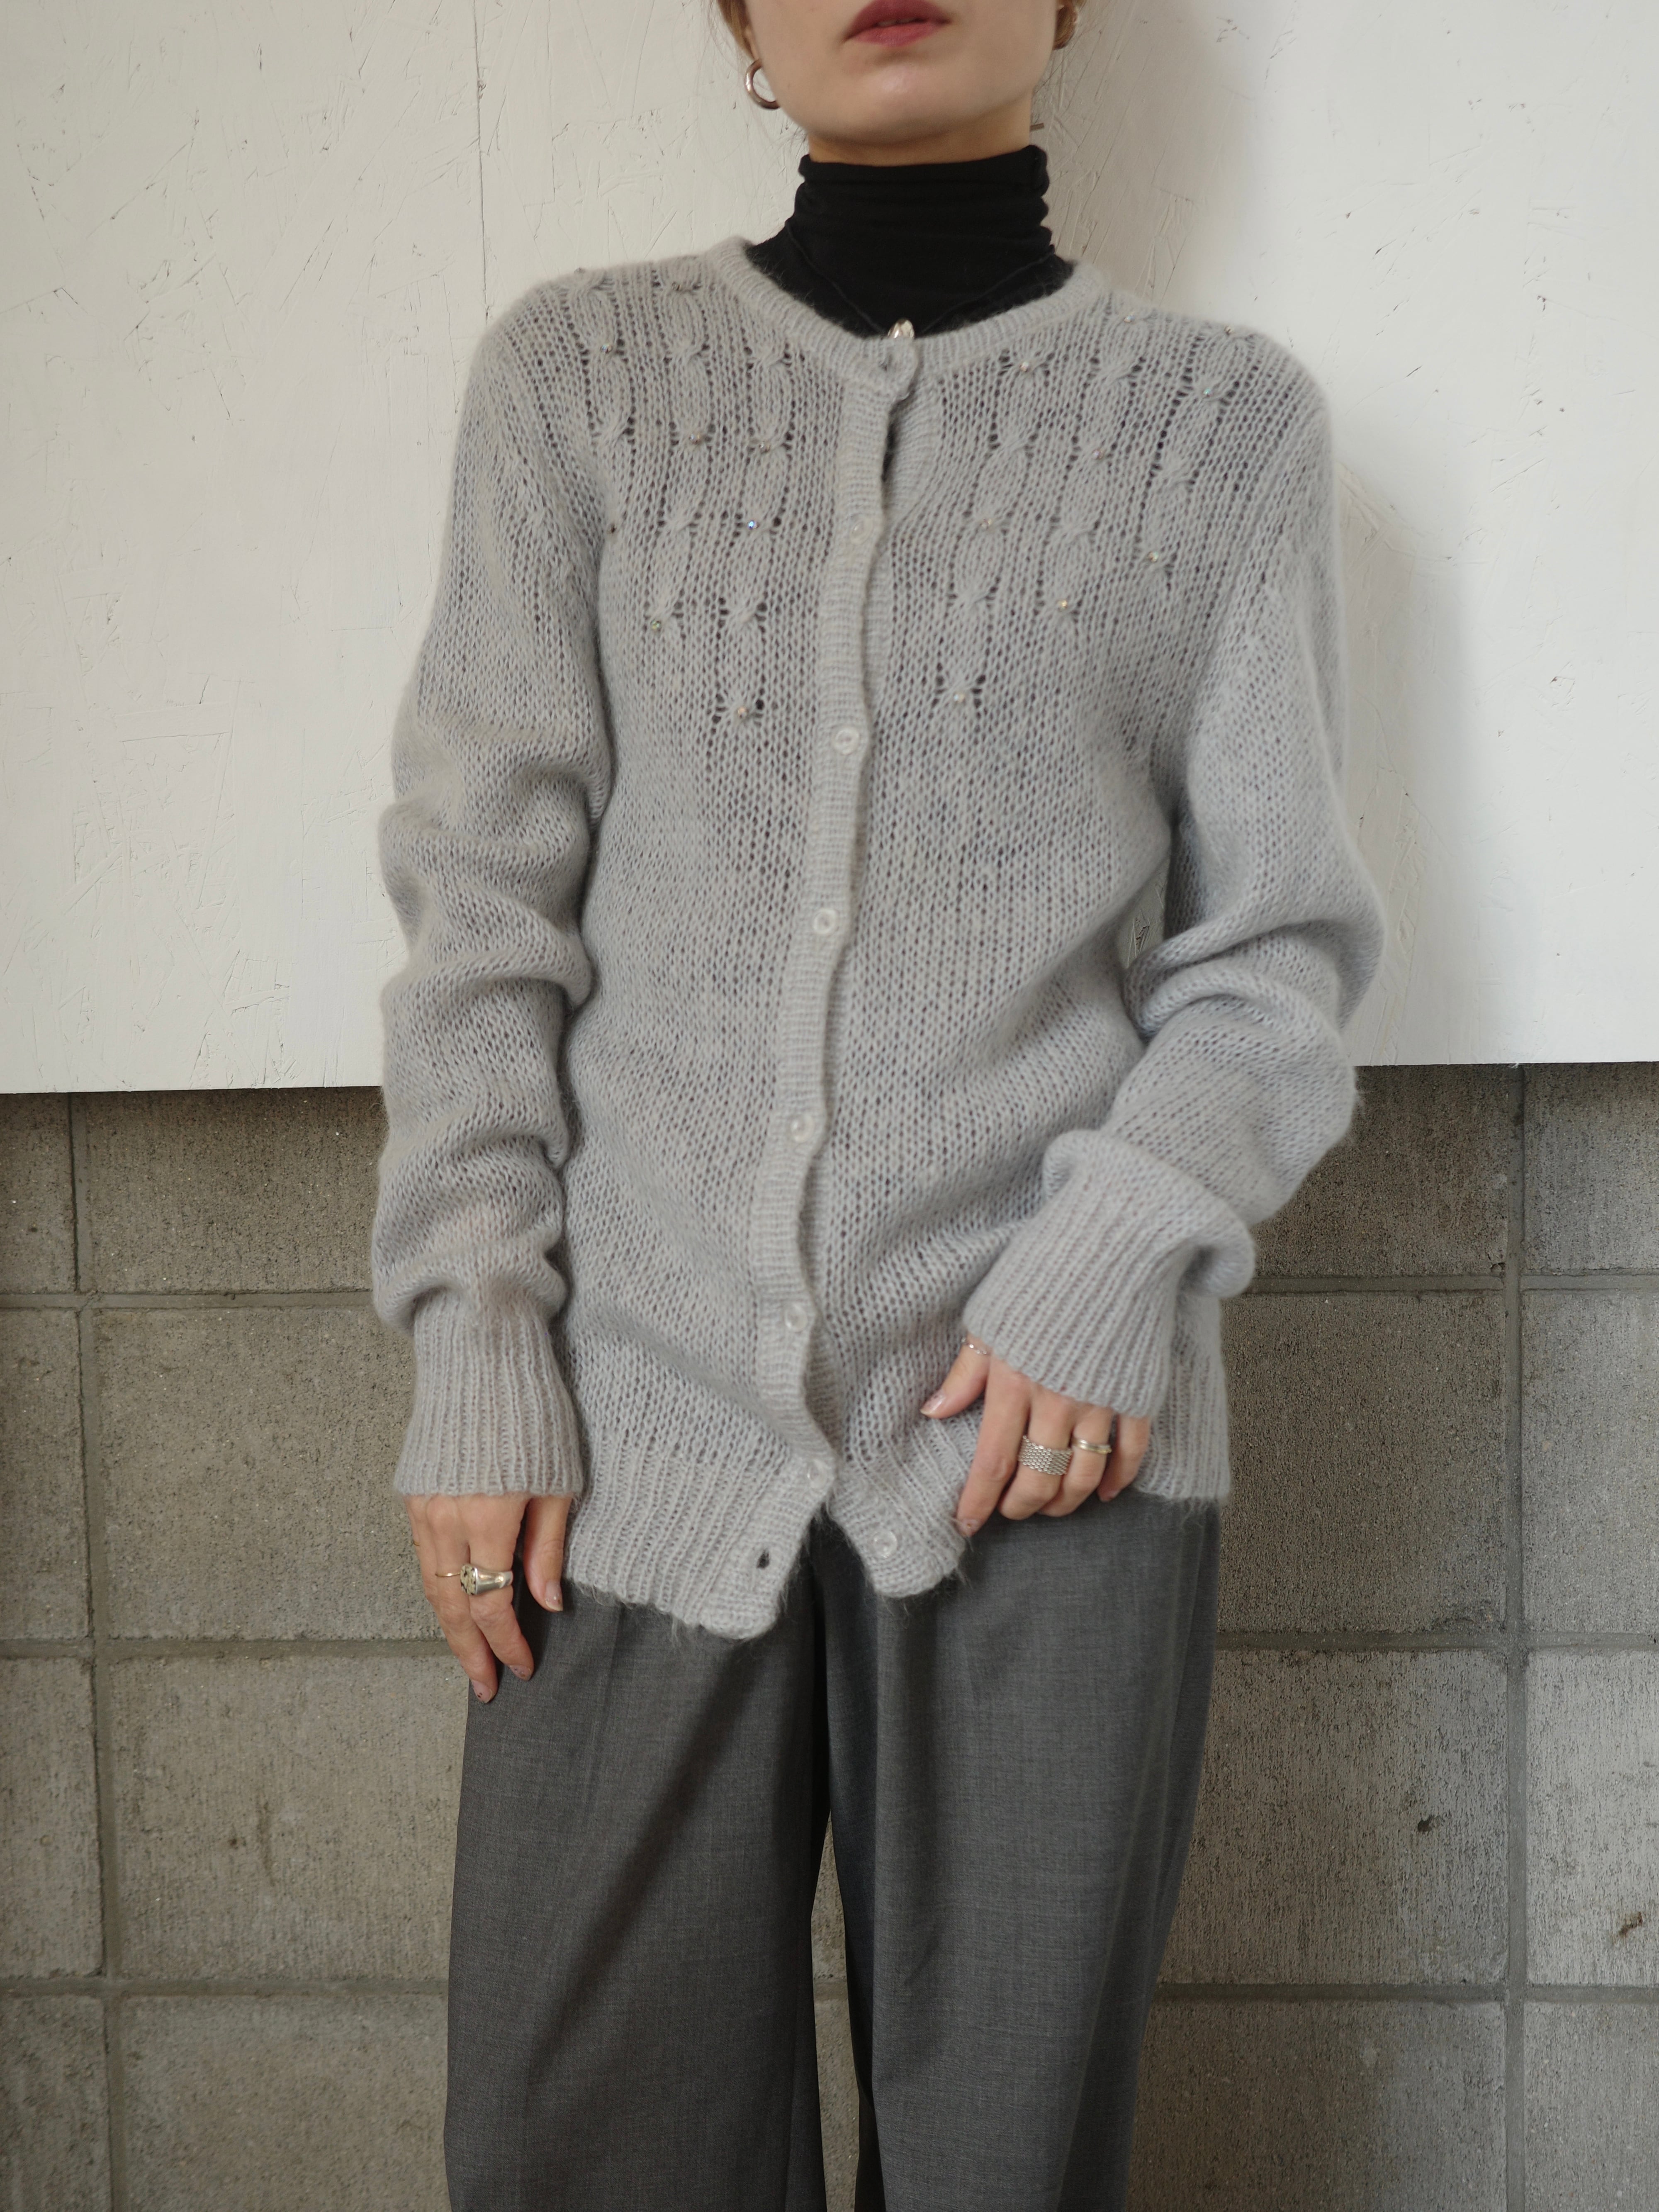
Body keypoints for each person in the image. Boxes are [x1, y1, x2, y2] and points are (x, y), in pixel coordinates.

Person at [370, 0, 1385, 2205]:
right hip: (625, 1445)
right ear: (738, 23)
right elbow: (484, 919)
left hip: (1047, 1450)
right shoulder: (577, 385)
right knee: (581, 2150)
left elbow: (1277, 953)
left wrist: (1113, 1262)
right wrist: (476, 1342)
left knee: (1005, 2162)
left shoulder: (1223, 429)